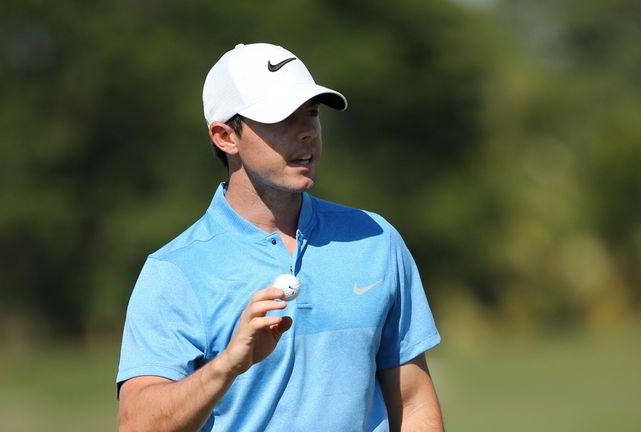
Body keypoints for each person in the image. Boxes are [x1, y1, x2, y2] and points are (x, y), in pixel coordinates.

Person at [116, 42, 444, 431]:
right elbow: (137, 425)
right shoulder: (174, 270)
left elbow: (413, 402)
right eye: (283, 118)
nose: (307, 132)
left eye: (311, 114)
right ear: (225, 137)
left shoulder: (375, 239)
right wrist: (228, 365)